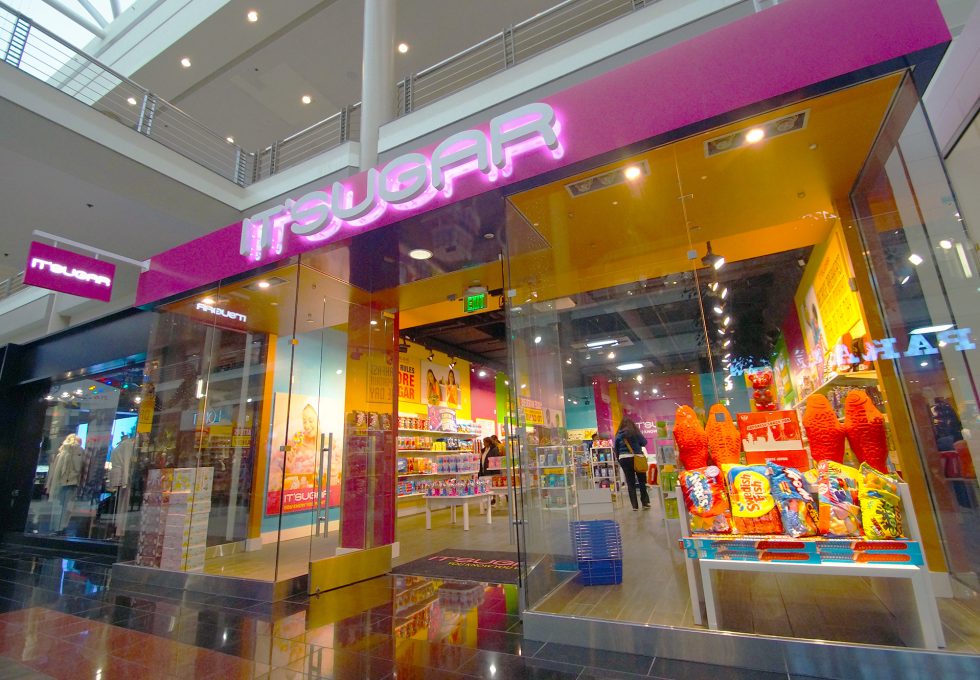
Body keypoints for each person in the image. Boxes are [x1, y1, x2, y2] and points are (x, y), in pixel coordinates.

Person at [614, 418, 650, 511]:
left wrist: (619, 460)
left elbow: (616, 449)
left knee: (630, 483)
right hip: (637, 457)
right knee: (642, 481)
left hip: (624, 459)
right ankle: (645, 502)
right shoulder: (635, 433)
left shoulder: (618, 435)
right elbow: (644, 442)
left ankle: (634, 506)